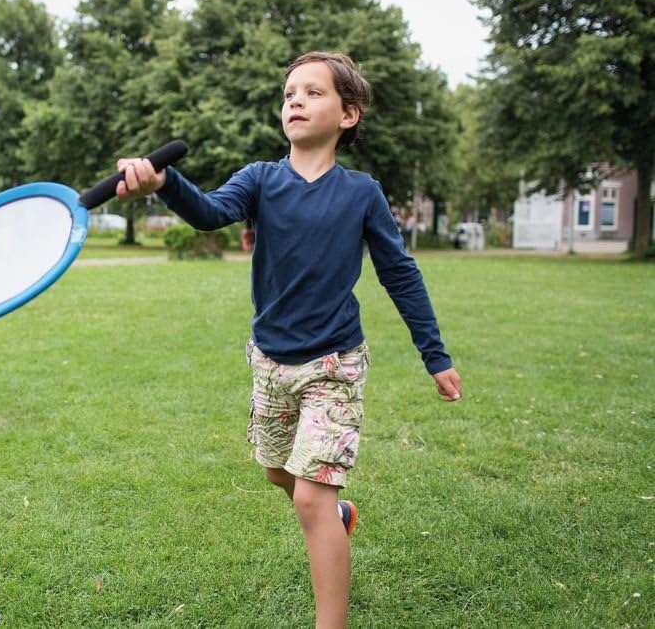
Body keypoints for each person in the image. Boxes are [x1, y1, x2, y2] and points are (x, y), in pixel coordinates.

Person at [115, 51, 462, 629]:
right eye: (289, 93)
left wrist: (436, 355)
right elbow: (208, 212)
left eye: (312, 92)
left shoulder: (361, 193)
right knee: (279, 473)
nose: (295, 101)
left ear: (348, 115)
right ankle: (338, 512)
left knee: (308, 498)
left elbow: (399, 273)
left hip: (335, 364)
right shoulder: (260, 179)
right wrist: (166, 182)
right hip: (271, 362)